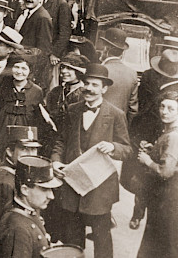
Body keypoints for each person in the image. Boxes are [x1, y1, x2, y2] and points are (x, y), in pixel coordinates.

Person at [50, 64, 133, 258]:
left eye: (95, 85)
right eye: (86, 83)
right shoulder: (73, 110)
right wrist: (55, 161)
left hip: (99, 190)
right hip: (72, 185)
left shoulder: (115, 115)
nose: (89, 88)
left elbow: (127, 149)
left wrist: (113, 147)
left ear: (104, 89)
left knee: (101, 238)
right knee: (72, 238)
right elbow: (61, 141)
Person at [135, 89, 178, 258]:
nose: (164, 112)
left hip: (168, 198)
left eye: (171, 108)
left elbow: (165, 171)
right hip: (164, 197)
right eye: (162, 106)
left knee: (166, 244)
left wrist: (148, 161)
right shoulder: (168, 132)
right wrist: (154, 151)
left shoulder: (173, 136)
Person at [0, 156, 63, 258]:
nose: (51, 196)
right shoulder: (18, 228)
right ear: (25, 190)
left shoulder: (29, 210)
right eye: (44, 189)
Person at [0, 125, 41, 245]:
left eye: (34, 149)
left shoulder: (21, 175)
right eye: (25, 149)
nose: (31, 155)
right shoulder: (4, 181)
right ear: (10, 151)